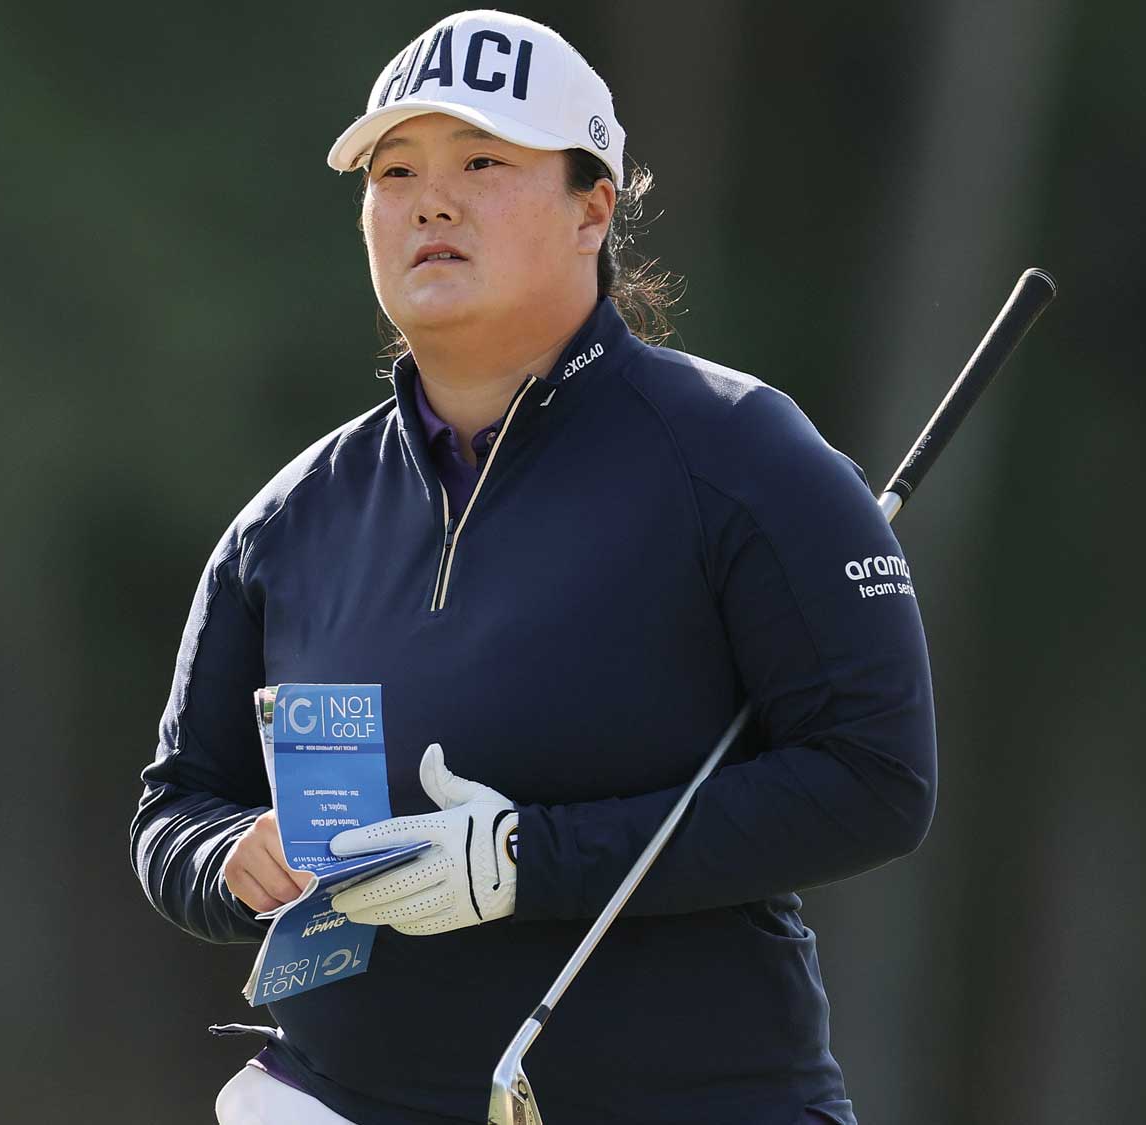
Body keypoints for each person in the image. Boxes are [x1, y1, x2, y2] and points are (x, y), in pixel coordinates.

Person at [132, 10, 936, 1124]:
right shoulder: (288, 521)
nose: (430, 198)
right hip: (343, 1099)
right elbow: (175, 808)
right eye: (394, 169)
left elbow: (876, 782)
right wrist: (232, 858)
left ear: (590, 208)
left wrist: (523, 859)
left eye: (481, 163)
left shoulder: (741, 454)